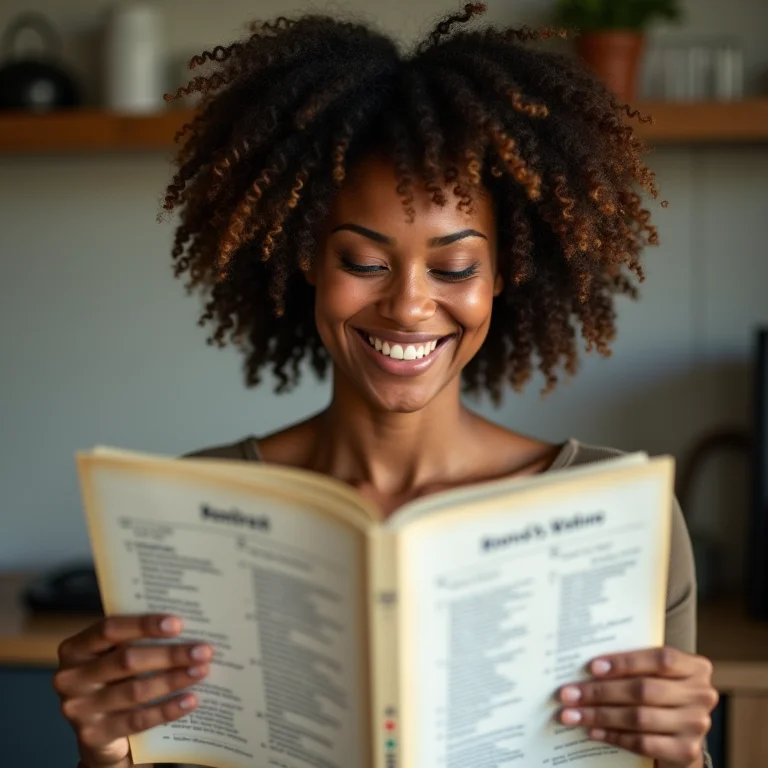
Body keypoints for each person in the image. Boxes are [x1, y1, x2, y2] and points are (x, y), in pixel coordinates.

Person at [53, 5, 718, 767]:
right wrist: (107, 755)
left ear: (501, 275)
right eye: (364, 262)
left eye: (455, 267)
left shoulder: (620, 513)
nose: (407, 305)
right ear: (307, 261)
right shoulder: (185, 514)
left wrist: (682, 759)